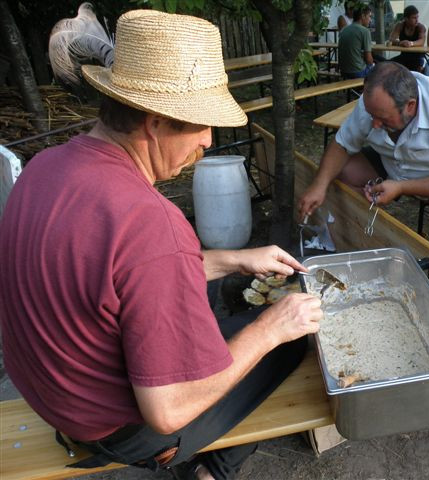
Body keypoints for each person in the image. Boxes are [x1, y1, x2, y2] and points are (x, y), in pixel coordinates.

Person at [0, 10, 323, 480]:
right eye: (200, 125)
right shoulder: (151, 223)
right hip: (114, 430)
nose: (209, 141)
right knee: (293, 344)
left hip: (52, 395)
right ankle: (212, 472)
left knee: (239, 321)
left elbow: (118, 275)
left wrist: (232, 260)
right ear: (154, 123)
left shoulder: (44, 167)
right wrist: (273, 329)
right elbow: (168, 411)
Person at [297, 62, 429, 264]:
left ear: (410, 105)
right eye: (372, 115)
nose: (374, 124)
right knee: (343, 171)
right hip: (394, 159)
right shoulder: (373, 104)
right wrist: (318, 186)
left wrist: (400, 187)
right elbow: (342, 144)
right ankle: (363, 241)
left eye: (381, 118)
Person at [338, 6, 375, 79]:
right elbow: (368, 59)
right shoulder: (365, 31)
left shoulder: (344, 30)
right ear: (363, 16)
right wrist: (373, 64)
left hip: (343, 71)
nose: (370, 20)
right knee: (380, 70)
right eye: (369, 16)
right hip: (358, 73)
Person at [389, 5, 428, 72]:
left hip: (418, 58)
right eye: (414, 18)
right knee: (387, 65)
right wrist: (400, 43)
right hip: (404, 57)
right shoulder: (400, 25)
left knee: (417, 71)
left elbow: (421, 41)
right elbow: (391, 39)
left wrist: (410, 43)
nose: (417, 20)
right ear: (406, 19)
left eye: (417, 17)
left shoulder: (420, 27)